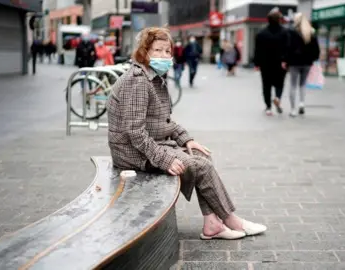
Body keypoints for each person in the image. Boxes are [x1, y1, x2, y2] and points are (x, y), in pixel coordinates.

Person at [106, 27, 267, 240]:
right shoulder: (138, 81)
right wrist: (164, 159)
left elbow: (163, 121)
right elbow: (135, 131)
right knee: (200, 166)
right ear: (145, 52)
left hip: (149, 143)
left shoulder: (151, 76)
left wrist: (186, 139)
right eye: (157, 50)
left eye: (167, 51)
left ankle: (212, 224)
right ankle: (231, 220)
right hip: (131, 153)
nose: (164, 56)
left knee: (201, 156)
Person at [254, 7, 288, 116]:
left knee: (266, 85)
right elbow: (288, 48)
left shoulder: (261, 34)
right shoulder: (285, 32)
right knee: (279, 83)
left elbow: (257, 50)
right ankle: (277, 97)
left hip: (265, 64)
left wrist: (257, 63)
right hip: (280, 63)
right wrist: (285, 60)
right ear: (279, 20)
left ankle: (268, 107)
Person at [284, 13, 320, 116]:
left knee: (293, 85)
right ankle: (302, 104)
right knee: (303, 84)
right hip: (307, 62)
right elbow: (316, 49)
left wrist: (286, 60)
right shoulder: (311, 32)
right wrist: (313, 59)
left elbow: (287, 48)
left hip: (294, 62)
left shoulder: (291, 32)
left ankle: (293, 110)